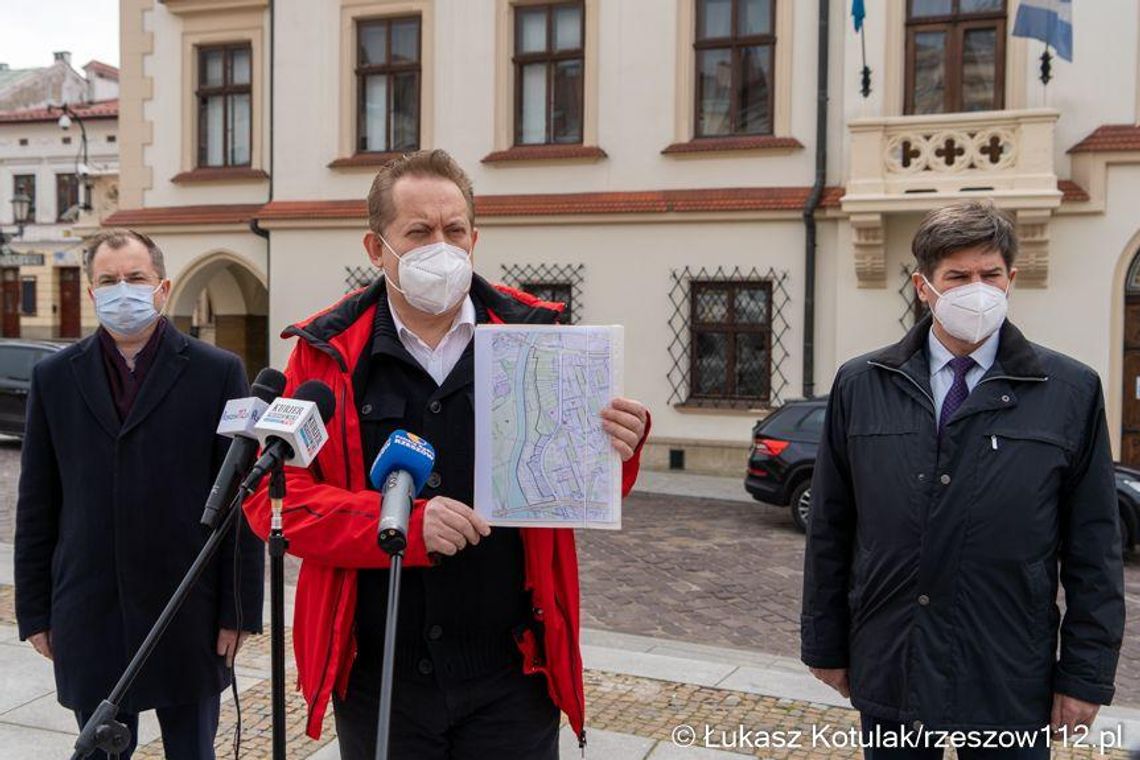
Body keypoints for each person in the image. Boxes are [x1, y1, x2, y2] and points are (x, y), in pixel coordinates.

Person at [243, 149, 650, 759]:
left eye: (454, 230)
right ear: (376, 249)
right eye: (420, 231)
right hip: (380, 676)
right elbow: (276, 500)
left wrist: (616, 448)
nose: (442, 245)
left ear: (474, 238)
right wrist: (393, 525)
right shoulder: (323, 356)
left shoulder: (534, 337)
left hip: (513, 674)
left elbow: (572, 489)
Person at [801, 200, 1125, 759]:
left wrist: (1084, 677)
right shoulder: (863, 384)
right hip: (893, 664)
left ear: (1011, 279)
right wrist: (825, 644)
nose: (978, 289)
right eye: (958, 276)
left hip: (1009, 675)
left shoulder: (1069, 390)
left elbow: (1095, 548)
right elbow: (832, 527)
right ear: (924, 286)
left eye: (990, 274)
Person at [15, 229, 265, 760]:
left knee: (192, 751)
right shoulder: (54, 376)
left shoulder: (218, 372)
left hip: (187, 608)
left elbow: (243, 501)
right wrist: (34, 610)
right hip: (91, 608)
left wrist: (238, 609)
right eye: (108, 281)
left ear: (162, 287)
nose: (121, 290)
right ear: (91, 293)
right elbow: (38, 500)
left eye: (135, 278)